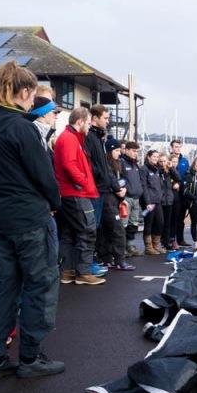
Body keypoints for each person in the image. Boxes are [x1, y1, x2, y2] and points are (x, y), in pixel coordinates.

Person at [0, 61, 64, 380]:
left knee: (6, 287)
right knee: (39, 286)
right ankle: (31, 357)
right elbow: (44, 175)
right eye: (30, 93)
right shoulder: (21, 127)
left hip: (0, 217)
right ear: (23, 92)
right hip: (30, 217)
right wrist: (54, 202)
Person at [54, 107, 104, 285]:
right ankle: (83, 272)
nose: (90, 127)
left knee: (70, 232)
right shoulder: (69, 139)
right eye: (89, 123)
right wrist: (83, 181)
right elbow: (69, 165)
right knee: (87, 231)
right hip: (76, 193)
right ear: (80, 121)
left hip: (71, 193)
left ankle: (67, 271)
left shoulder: (71, 138)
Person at [98, 138, 134, 270]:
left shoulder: (117, 163)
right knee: (118, 231)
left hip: (114, 199)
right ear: (110, 150)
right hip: (108, 200)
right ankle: (119, 261)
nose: (120, 153)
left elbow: (123, 179)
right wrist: (119, 190)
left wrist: (123, 189)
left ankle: (107, 259)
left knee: (107, 231)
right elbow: (110, 179)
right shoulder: (106, 163)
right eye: (117, 150)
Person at [85, 105, 111, 277]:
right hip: (94, 187)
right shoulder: (90, 137)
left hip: (101, 187)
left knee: (97, 225)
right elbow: (89, 162)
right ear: (95, 118)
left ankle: (93, 260)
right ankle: (88, 264)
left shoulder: (99, 137)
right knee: (91, 226)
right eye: (105, 118)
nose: (107, 121)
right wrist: (100, 174)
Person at [121, 142, 144, 257]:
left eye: (137, 151)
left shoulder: (135, 165)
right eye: (134, 151)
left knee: (133, 224)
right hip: (127, 198)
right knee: (123, 224)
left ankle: (130, 245)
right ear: (127, 150)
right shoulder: (122, 163)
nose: (136, 153)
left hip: (136, 198)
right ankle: (122, 248)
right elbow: (119, 180)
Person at [139, 150, 164, 255]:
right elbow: (144, 186)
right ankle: (149, 247)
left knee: (160, 223)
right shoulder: (144, 169)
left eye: (157, 157)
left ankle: (156, 245)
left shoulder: (156, 169)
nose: (156, 158)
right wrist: (147, 202)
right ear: (148, 157)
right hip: (149, 202)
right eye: (154, 156)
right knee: (149, 224)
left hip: (157, 201)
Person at [170, 139, 191, 246]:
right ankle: (170, 240)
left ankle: (180, 239)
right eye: (175, 146)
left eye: (179, 146)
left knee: (181, 219)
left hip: (182, 193)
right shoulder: (168, 160)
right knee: (171, 218)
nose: (177, 148)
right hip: (170, 193)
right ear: (172, 147)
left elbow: (187, 176)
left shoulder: (185, 161)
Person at [158, 153, 180, 251]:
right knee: (160, 223)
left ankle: (166, 242)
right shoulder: (157, 171)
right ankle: (159, 242)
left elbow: (178, 178)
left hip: (169, 200)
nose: (163, 163)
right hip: (160, 200)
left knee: (168, 222)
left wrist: (171, 168)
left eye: (164, 161)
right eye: (161, 161)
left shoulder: (169, 171)